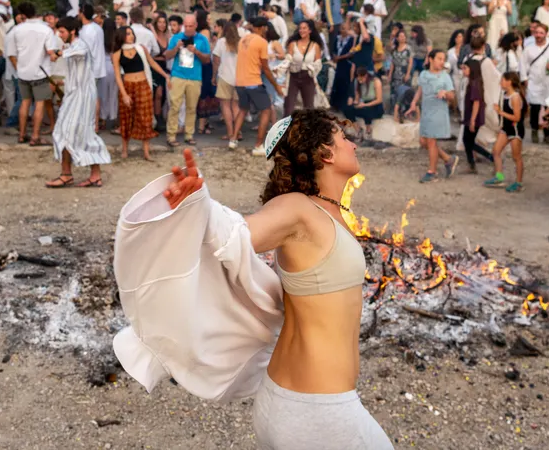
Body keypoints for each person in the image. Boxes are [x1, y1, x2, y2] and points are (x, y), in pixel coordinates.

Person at [119, 111, 392, 449]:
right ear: (326, 153)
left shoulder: (325, 211)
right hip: (316, 412)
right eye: (342, 136)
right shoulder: (298, 208)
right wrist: (197, 207)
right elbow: (235, 234)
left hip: (304, 404)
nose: (352, 143)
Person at [45, 17, 111, 187]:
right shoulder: (71, 46)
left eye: (62, 32)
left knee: (78, 133)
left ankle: (82, 174)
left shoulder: (80, 45)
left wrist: (58, 53)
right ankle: (68, 173)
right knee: (63, 132)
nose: (60, 35)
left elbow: (80, 53)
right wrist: (63, 83)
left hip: (82, 98)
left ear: (72, 31)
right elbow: (76, 72)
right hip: (73, 95)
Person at [10, 2, 59, 146]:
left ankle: (22, 134)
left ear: (23, 15)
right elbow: (51, 52)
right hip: (40, 72)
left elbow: (13, 53)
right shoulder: (46, 29)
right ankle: (35, 136)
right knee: (39, 104)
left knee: (24, 102)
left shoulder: (17, 29)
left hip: (23, 71)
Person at [235, 17, 284, 154]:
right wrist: (276, 86)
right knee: (267, 109)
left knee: (243, 109)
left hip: (240, 80)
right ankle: (258, 145)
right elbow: (266, 68)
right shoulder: (262, 42)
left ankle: (233, 139)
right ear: (263, 28)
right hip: (254, 81)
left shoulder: (243, 39)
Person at [408, 49, 458, 183]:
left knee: (431, 141)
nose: (442, 62)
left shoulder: (445, 77)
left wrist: (446, 94)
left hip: (439, 113)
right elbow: (420, 90)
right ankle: (448, 159)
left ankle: (432, 172)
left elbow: (453, 96)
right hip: (426, 112)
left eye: (443, 59)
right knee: (423, 142)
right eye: (439, 59)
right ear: (431, 59)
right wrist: (413, 103)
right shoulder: (423, 74)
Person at [164, 14, 212, 147]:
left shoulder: (202, 39)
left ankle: (189, 134)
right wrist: (176, 48)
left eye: (191, 26)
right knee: (174, 106)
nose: (188, 29)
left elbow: (207, 60)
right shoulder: (176, 38)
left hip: (195, 77)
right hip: (178, 76)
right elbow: (166, 56)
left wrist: (196, 51)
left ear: (196, 25)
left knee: (191, 107)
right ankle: (171, 135)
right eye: (186, 26)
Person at [520, 22, 549, 146]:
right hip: (534, 82)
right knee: (534, 108)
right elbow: (523, 65)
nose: (538, 35)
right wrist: (525, 80)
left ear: (546, 34)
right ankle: (534, 130)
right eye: (536, 33)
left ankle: (547, 134)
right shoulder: (529, 49)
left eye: (541, 33)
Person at [484, 71, 525, 192]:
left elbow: (517, 118)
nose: (500, 82)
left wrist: (500, 112)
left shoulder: (515, 97)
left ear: (509, 82)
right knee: (496, 151)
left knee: (516, 157)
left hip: (515, 130)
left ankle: (518, 183)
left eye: (502, 80)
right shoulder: (505, 95)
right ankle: (499, 177)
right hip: (506, 129)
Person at [461, 55, 495, 172]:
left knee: (468, 141)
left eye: (465, 68)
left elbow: (476, 103)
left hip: (473, 117)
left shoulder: (474, 84)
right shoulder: (474, 82)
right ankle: (472, 164)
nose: (463, 70)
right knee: (468, 141)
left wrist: (472, 120)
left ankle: (489, 157)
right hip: (472, 117)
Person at [283, 20, 323, 116]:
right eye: (300, 28)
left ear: (310, 30)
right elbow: (287, 60)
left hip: (307, 77)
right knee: (289, 106)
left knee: (309, 106)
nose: (301, 30)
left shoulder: (315, 46)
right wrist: (280, 69)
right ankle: (286, 129)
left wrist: (312, 69)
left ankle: (308, 129)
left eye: (304, 28)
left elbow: (318, 63)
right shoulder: (293, 44)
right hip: (294, 76)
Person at [213, 21, 242, 149]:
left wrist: (214, 76)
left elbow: (216, 60)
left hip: (225, 77)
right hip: (240, 78)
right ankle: (238, 133)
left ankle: (230, 133)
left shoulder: (221, 42)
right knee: (236, 106)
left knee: (225, 106)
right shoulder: (241, 43)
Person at [346, 66, 383, 139]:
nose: (360, 80)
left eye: (361, 78)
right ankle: (358, 129)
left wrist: (364, 105)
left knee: (367, 110)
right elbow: (357, 96)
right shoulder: (358, 81)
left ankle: (368, 130)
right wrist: (356, 102)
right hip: (364, 103)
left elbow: (379, 100)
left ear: (365, 76)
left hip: (375, 106)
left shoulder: (376, 81)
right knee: (347, 109)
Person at [329, 19, 357, 113]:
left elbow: (351, 53)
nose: (343, 30)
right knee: (337, 83)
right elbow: (333, 49)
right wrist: (334, 57)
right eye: (341, 28)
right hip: (339, 64)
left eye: (345, 28)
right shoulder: (337, 38)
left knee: (345, 83)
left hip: (346, 64)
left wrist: (339, 57)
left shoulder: (352, 39)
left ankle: (343, 105)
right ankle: (335, 105)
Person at [388, 28, 414, 113]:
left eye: (404, 36)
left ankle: (404, 110)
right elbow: (392, 62)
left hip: (404, 72)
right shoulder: (394, 49)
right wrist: (390, 74)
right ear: (397, 38)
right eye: (400, 36)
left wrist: (407, 74)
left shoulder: (408, 49)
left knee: (404, 91)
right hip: (395, 72)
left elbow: (410, 62)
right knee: (394, 91)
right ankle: (394, 110)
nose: (402, 38)